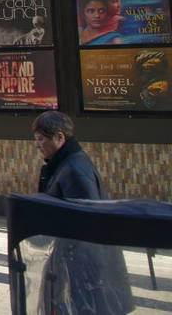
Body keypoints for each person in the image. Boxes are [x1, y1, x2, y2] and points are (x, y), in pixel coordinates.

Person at [32, 111, 133, 314]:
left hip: (83, 265)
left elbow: (86, 220)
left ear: (59, 137)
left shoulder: (75, 169)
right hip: (73, 258)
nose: (37, 144)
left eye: (41, 139)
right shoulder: (66, 164)